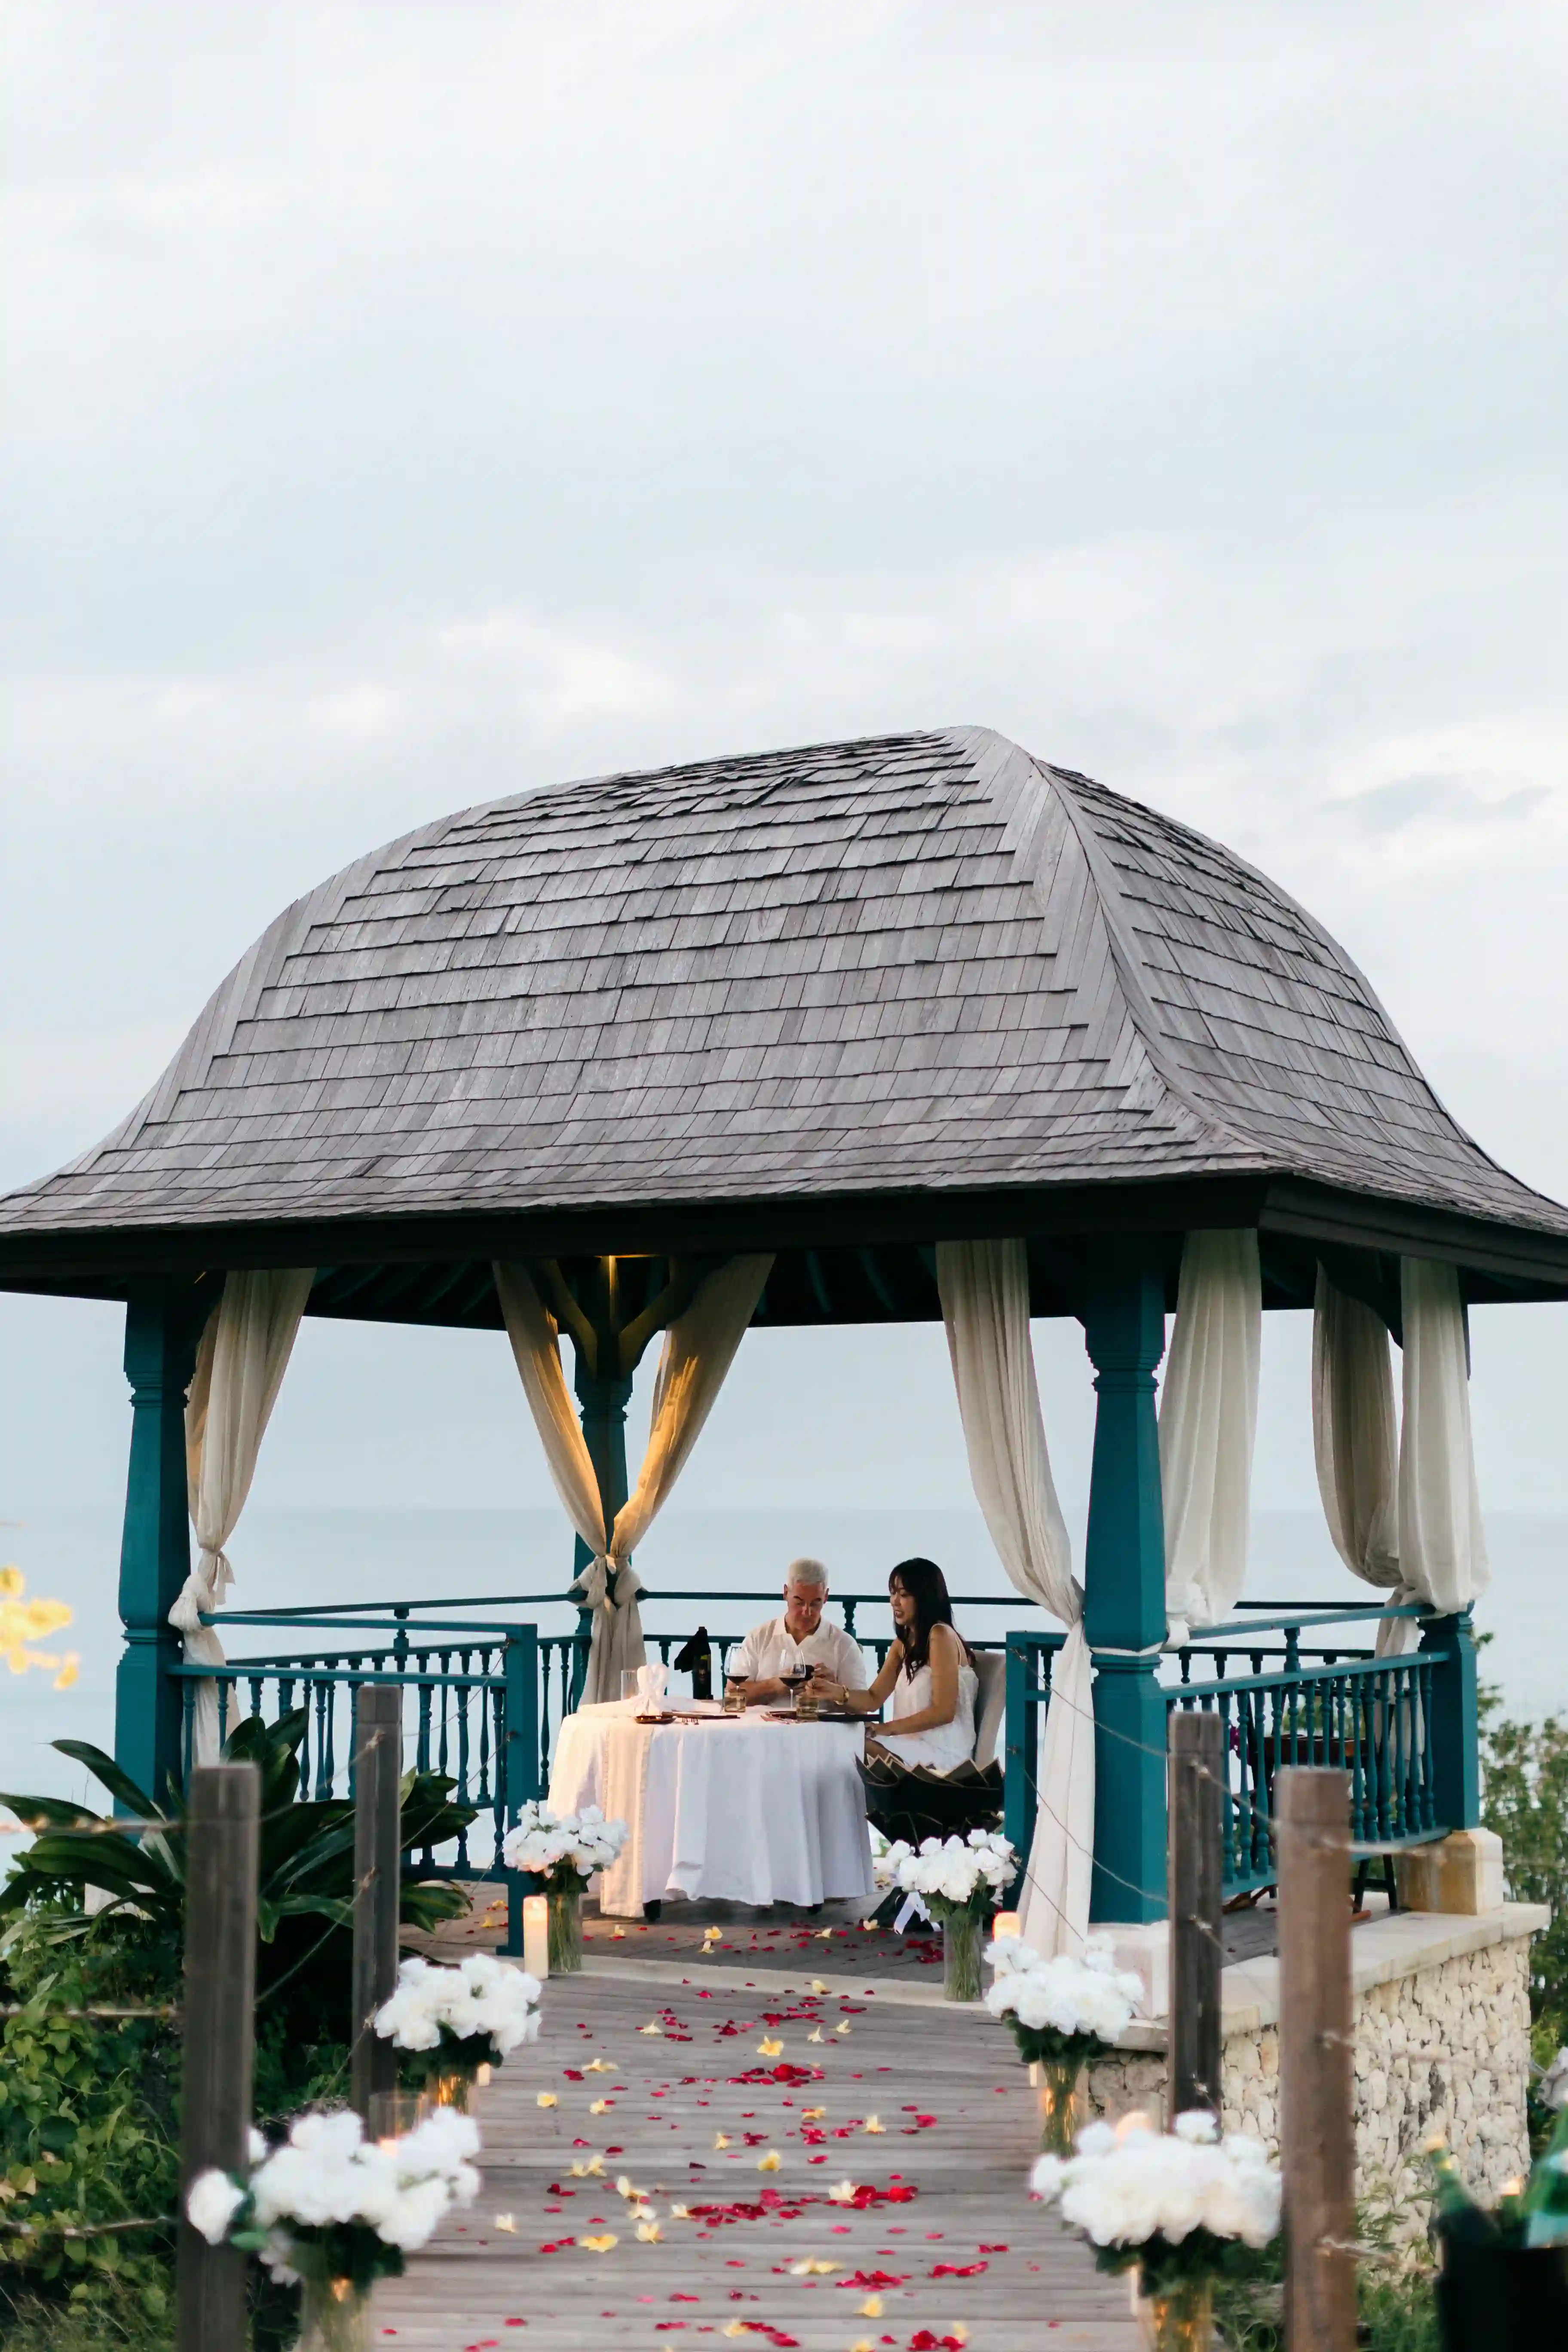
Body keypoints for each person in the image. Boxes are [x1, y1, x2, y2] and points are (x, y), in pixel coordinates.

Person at [809, 1556, 978, 1773]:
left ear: (925, 1598)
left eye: (904, 1594)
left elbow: (944, 1711)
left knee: (852, 1746)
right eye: (893, 1593)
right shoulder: (903, 1644)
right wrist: (836, 1692)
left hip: (943, 1755)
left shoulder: (940, 1635)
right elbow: (873, 1699)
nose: (894, 1601)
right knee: (838, 1740)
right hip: (908, 1748)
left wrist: (886, 1729)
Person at [727, 1559, 868, 1705]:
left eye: (815, 1603)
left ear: (826, 1597)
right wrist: (777, 1686)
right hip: (767, 1728)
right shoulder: (759, 1637)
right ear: (786, 1593)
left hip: (820, 1728)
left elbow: (863, 1709)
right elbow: (732, 1696)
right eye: (799, 1602)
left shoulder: (844, 1645)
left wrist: (836, 1691)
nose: (807, 1612)